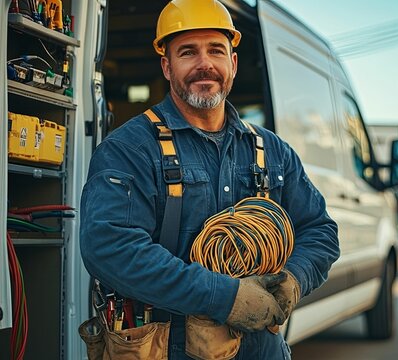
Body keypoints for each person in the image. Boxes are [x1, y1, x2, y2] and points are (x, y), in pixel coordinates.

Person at [79, 0, 340, 358]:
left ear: (232, 63)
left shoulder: (272, 151)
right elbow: (110, 247)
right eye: (188, 52)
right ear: (167, 67)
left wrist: (293, 279)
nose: (205, 64)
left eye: (216, 50)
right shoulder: (129, 150)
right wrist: (224, 298)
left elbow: (320, 230)